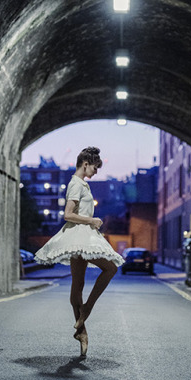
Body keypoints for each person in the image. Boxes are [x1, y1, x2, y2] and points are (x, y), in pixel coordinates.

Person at [33, 146, 124, 356]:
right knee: (109, 269)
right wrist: (91, 220)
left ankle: (81, 325)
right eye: (94, 167)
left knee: (81, 282)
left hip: (84, 236)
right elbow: (68, 214)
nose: (96, 172)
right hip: (79, 236)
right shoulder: (76, 184)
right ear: (85, 164)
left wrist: (90, 222)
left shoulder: (81, 184)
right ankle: (85, 315)